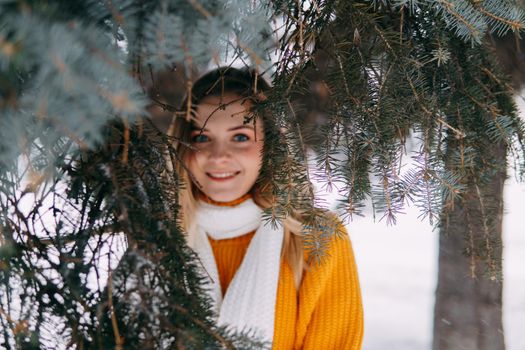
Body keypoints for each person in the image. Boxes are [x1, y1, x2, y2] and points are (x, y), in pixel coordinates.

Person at [168, 67, 363, 349]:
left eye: (240, 137)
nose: (219, 156)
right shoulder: (161, 235)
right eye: (202, 138)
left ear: (270, 145)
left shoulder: (317, 241)